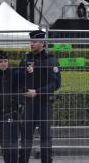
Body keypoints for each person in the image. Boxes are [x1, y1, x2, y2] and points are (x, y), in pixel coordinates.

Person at [19, 30, 61, 163]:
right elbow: (18, 81)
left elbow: (56, 83)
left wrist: (37, 92)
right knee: (26, 137)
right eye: (30, 41)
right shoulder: (26, 59)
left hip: (44, 104)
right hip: (29, 104)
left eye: (34, 41)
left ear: (42, 43)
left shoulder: (51, 60)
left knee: (45, 138)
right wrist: (25, 73)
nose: (31, 44)